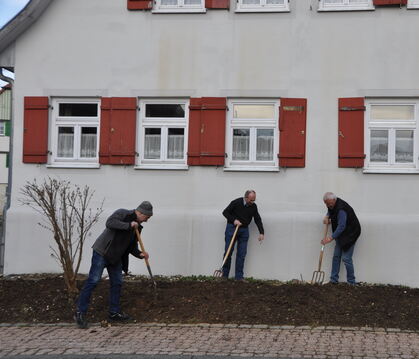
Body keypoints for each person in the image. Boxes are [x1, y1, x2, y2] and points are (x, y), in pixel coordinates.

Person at [74, 201, 153, 329]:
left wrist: (140, 254)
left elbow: (131, 247)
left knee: (117, 283)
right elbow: (110, 223)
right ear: (140, 212)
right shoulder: (123, 213)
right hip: (102, 252)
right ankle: (80, 313)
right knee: (93, 281)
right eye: (147, 217)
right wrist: (129, 225)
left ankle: (114, 313)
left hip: (116, 257)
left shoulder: (137, 228)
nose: (147, 220)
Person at [221, 190, 264, 280]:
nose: (253, 202)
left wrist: (261, 232)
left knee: (242, 254)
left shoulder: (253, 206)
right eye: (251, 200)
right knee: (228, 252)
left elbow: (257, 219)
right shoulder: (236, 202)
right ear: (246, 197)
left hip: (244, 230)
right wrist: (234, 220)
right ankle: (224, 275)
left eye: (254, 200)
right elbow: (225, 212)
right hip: (232, 228)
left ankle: (239, 277)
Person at [321, 192, 361, 285]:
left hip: (350, 234)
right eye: (326, 204)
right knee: (336, 256)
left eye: (329, 204)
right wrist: (327, 216)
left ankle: (352, 282)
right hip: (341, 234)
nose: (328, 205)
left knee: (346, 258)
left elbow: (341, 226)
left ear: (334, 200)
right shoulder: (331, 205)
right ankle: (333, 280)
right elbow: (330, 210)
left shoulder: (341, 209)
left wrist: (330, 238)